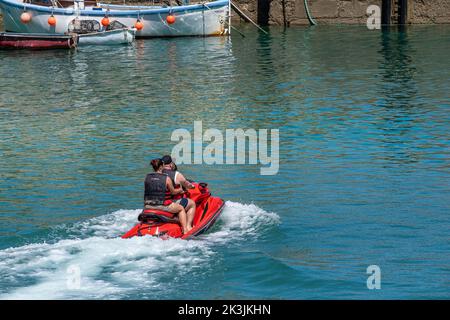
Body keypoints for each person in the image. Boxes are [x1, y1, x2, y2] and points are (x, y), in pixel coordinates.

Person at [144, 158, 190, 234]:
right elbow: (173, 192)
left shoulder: (147, 177)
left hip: (148, 205)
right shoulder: (166, 178)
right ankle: (185, 230)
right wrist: (181, 190)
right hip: (162, 205)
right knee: (181, 209)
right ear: (161, 167)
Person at [161, 155, 196, 232]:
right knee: (192, 204)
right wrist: (192, 186)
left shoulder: (157, 174)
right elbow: (187, 185)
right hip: (172, 202)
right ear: (171, 164)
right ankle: (188, 226)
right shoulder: (177, 174)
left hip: (159, 202)